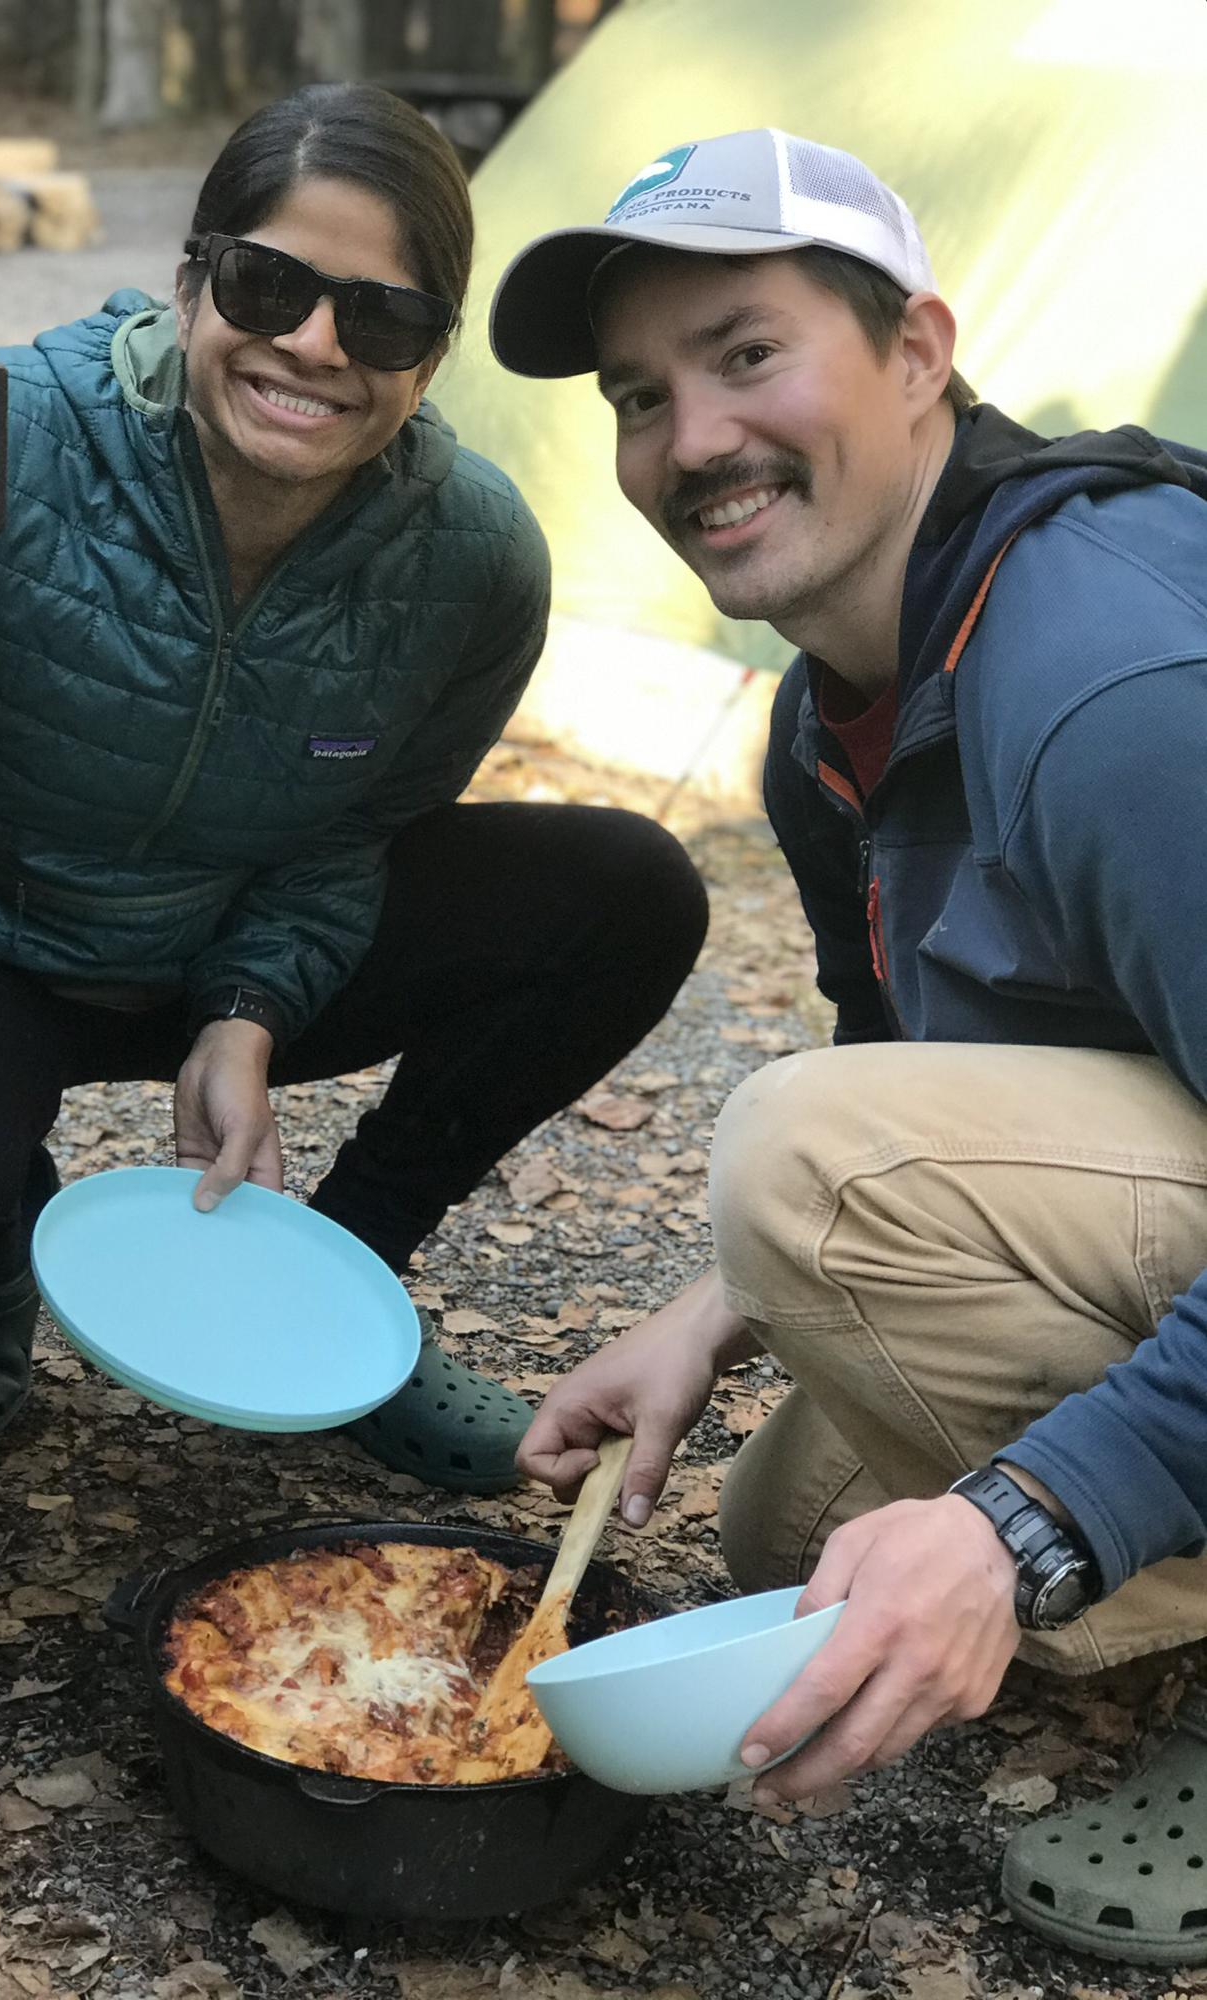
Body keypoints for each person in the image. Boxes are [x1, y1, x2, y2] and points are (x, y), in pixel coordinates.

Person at [0, 84, 708, 1487]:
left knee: (628, 890)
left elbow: (361, 831)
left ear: (432, 354)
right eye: (268, 281)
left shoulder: (473, 562)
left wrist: (250, 1009)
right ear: (191, 278)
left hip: (207, 934)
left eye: (383, 317)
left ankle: (339, 1301)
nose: (313, 342)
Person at [490, 126, 1207, 1962]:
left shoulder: (1110, 684)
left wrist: (1032, 1525)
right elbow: (916, 1048)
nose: (691, 441)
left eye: (747, 354)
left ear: (919, 355)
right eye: (641, 395)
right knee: (786, 1545)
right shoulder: (831, 717)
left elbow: (853, 1143)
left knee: (800, 1164)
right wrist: (711, 1307)